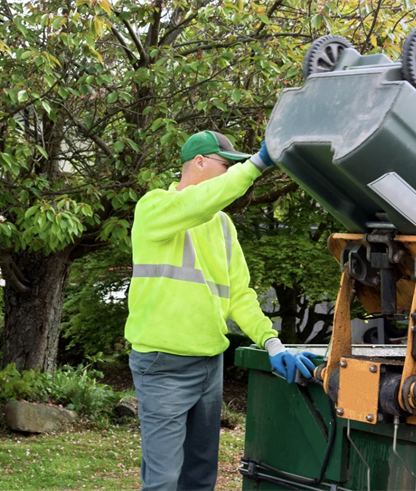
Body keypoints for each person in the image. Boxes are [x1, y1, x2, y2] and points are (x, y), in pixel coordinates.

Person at [125, 130, 317, 491]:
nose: (231, 174)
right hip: (162, 364)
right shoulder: (153, 208)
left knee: (200, 476)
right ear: (199, 163)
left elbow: (239, 296)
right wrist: (257, 165)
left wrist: (272, 342)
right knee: (164, 479)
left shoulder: (224, 226)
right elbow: (198, 202)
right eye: (225, 165)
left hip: (209, 365)